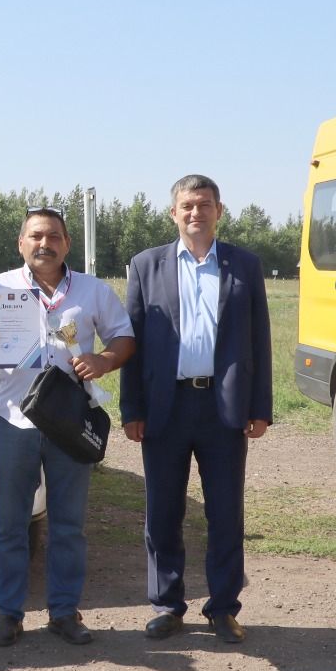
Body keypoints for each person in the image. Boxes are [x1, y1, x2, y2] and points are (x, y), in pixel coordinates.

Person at [0, 206, 135, 646]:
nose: (44, 243)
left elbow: (125, 337)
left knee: (69, 523)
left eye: (53, 235)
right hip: (14, 417)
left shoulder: (93, 291)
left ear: (66, 244)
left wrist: (104, 359)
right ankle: (8, 613)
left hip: (69, 420)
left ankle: (64, 611)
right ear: (21, 243)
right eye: (35, 235)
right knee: (10, 523)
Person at [122, 175, 272, 643]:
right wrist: (132, 408)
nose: (195, 213)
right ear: (173, 213)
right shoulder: (147, 266)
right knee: (162, 512)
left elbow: (260, 340)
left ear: (219, 211)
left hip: (223, 407)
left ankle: (223, 608)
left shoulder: (244, 265)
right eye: (187, 205)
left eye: (204, 205)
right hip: (165, 406)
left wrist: (260, 406)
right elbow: (134, 343)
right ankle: (167, 604)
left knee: (225, 512)